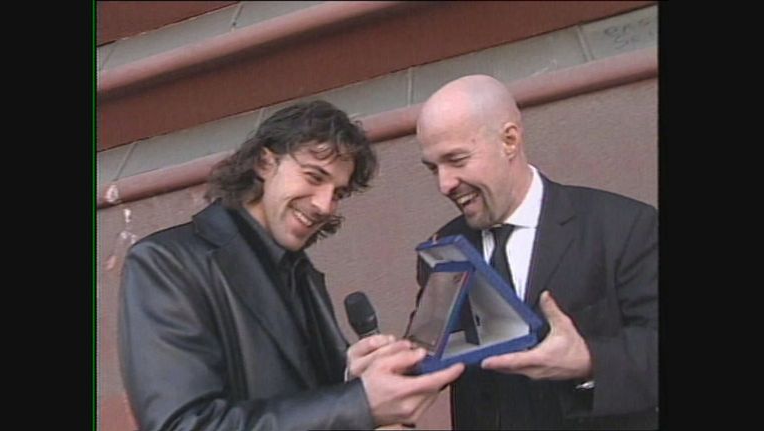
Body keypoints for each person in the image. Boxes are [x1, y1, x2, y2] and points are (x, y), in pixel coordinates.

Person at [118, 100, 464, 430]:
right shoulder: (164, 263)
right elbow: (184, 425)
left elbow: (305, 398)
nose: (324, 205)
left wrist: (350, 377)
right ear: (264, 163)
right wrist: (359, 403)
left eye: (338, 193)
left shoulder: (299, 270)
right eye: (313, 177)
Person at [413, 75, 658, 429]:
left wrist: (588, 360)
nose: (444, 184)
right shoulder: (444, 246)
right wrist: (396, 364)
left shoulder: (624, 226)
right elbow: (430, 348)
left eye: (457, 159)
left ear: (509, 140)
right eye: (433, 168)